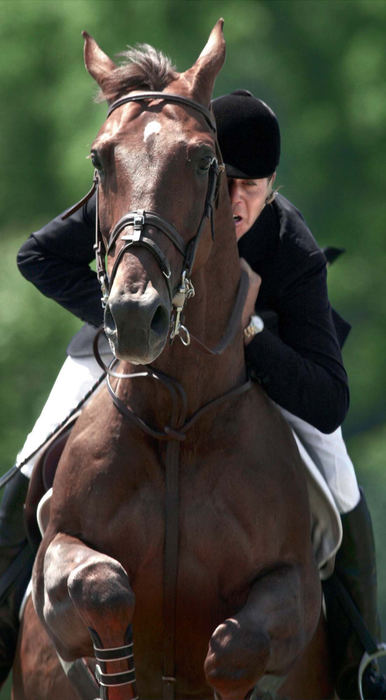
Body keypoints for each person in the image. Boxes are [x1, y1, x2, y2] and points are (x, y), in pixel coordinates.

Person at [0, 88, 384, 698]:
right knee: (26, 463)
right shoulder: (167, 190)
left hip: (258, 366)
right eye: (223, 180)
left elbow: (329, 399)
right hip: (124, 344)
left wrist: (249, 335)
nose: (234, 201)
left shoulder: (287, 241)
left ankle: (366, 659)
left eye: (250, 187)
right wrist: (125, 321)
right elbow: (37, 255)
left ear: (273, 184)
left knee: (342, 486)